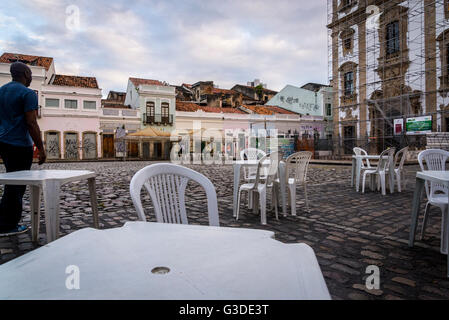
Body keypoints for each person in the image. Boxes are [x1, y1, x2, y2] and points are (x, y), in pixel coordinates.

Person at [0, 61, 46, 236]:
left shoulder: (1, 91)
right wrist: (41, 149)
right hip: (19, 145)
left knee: (10, 183)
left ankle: (3, 219)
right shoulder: (28, 94)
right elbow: (31, 123)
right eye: (30, 75)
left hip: (3, 142)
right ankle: (7, 225)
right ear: (25, 74)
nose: (31, 78)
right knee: (17, 186)